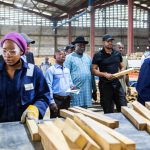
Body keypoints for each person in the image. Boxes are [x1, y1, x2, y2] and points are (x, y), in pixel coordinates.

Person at [0, 32, 50, 123]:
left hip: (26, 125)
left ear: (22, 52)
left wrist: (36, 108)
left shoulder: (33, 71)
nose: (7, 55)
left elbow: (44, 95)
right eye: (4, 51)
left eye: (12, 51)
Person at [92, 34, 127, 113]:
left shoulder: (117, 54)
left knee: (123, 106)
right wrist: (104, 74)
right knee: (108, 109)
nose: (110, 43)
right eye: (108, 41)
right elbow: (93, 70)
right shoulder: (98, 55)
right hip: (105, 85)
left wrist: (122, 72)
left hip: (117, 84)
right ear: (103, 42)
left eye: (111, 41)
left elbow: (122, 66)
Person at [65, 36, 97, 108]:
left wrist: (94, 89)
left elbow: (92, 75)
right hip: (75, 90)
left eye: (83, 45)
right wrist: (68, 92)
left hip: (87, 90)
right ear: (75, 46)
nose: (82, 47)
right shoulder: (69, 58)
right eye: (79, 45)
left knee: (85, 111)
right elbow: (66, 76)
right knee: (75, 110)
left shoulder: (88, 58)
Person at [45, 49, 75, 118]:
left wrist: (73, 90)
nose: (63, 56)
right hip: (56, 101)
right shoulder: (51, 70)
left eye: (64, 54)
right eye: (60, 54)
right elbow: (48, 87)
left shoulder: (67, 70)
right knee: (55, 122)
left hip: (66, 101)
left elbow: (70, 83)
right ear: (55, 56)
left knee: (66, 120)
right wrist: (52, 102)